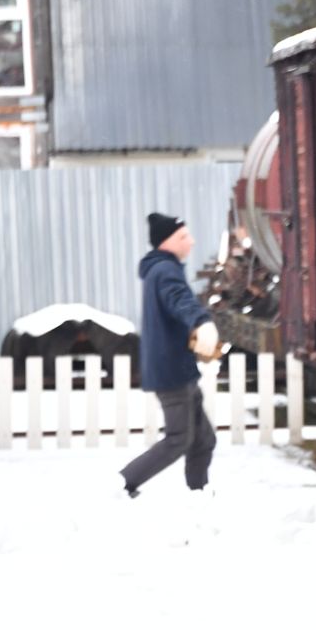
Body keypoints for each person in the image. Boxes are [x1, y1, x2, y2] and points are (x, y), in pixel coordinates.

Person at [120, 213, 220, 497]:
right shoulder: (165, 272)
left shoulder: (162, 268)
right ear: (168, 242)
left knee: (203, 440)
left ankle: (197, 494)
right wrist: (201, 321)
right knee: (179, 439)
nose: (191, 241)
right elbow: (180, 300)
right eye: (184, 237)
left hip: (179, 369)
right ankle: (124, 483)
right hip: (171, 372)